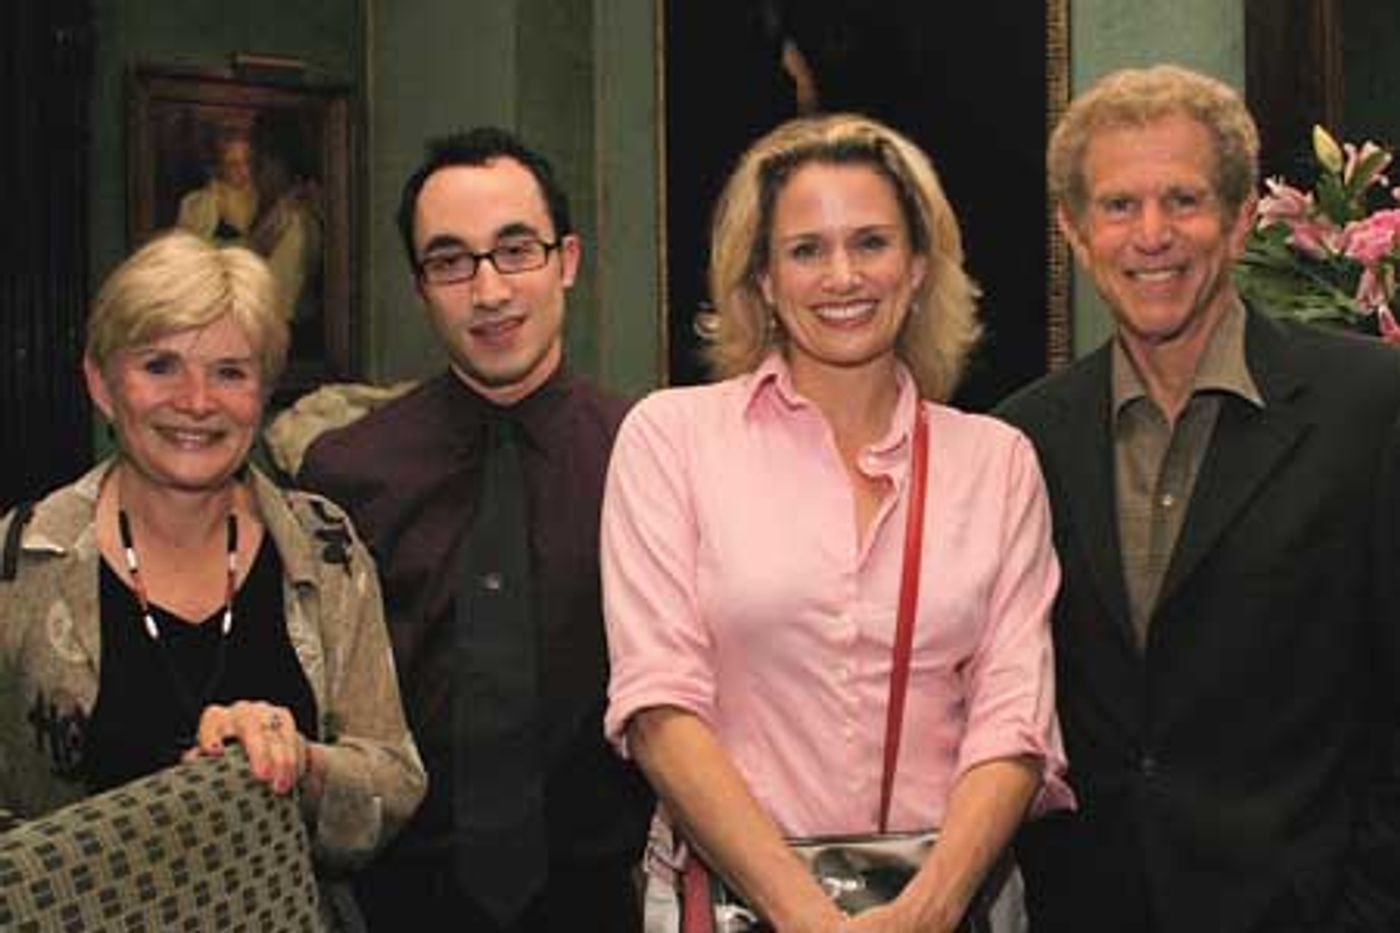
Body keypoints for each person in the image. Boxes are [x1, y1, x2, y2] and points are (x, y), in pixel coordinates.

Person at [602, 112, 1073, 932]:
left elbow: (1016, 716)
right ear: (762, 279)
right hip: (734, 907)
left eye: (872, 242)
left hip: (954, 907)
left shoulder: (996, 462)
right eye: (806, 250)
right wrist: (805, 916)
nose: (843, 275)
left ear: (919, 266)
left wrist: (932, 905)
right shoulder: (671, 440)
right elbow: (658, 705)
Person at [994, 64, 1400, 932]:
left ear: (1242, 215)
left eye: (1183, 200)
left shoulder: (1372, 407)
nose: (1152, 235)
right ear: (1073, 229)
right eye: (1118, 205)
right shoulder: (1020, 439)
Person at [0, 230, 427, 927]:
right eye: (160, 365)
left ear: (263, 392)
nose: (197, 401)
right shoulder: (19, 565)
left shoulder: (325, 549)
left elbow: (395, 786)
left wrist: (301, 764)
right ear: (102, 384)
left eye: (231, 371)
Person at [297, 127, 654, 932]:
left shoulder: (650, 457)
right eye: (451, 261)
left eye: (516, 250)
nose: (489, 291)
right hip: (396, 906)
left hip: (608, 900)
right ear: (421, 286)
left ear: (567, 260)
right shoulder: (344, 473)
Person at [177, 127, 258, 245]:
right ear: (217, 167)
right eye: (233, 164)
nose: (244, 171)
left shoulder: (257, 196)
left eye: (247, 161)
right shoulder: (194, 204)